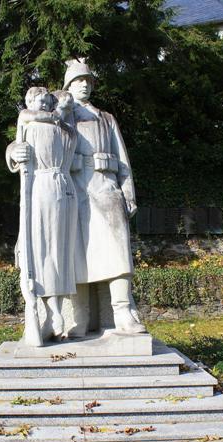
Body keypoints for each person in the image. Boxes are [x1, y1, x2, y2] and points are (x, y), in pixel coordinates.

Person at [63, 59, 146, 335]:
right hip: (75, 192)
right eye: (78, 80)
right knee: (77, 255)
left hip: (106, 189)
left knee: (118, 251)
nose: (84, 85)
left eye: (87, 80)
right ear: (68, 86)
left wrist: (128, 192)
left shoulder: (106, 118)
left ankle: (123, 311)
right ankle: (80, 318)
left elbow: (122, 159)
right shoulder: (59, 118)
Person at [6, 87, 78, 341]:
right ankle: (49, 313)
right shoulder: (33, 122)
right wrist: (14, 153)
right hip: (42, 189)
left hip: (59, 191)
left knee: (58, 252)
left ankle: (57, 313)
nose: (43, 106)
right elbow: (17, 143)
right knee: (41, 250)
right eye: (39, 101)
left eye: (47, 102)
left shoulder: (65, 130)